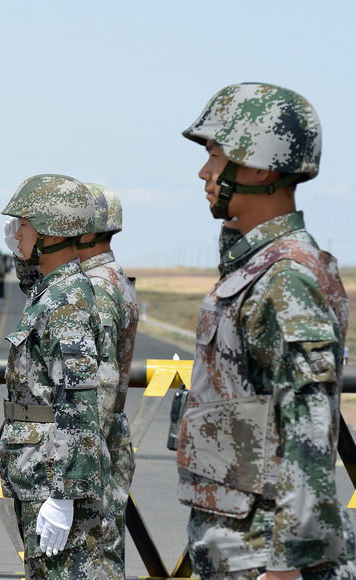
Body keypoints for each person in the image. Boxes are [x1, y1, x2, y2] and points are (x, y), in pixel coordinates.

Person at [177, 82, 355, 580]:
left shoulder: (287, 277)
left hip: (264, 557)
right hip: (238, 548)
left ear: (260, 166)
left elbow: (310, 424)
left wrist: (287, 567)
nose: (204, 171)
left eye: (215, 154)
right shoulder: (258, 266)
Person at [0, 174, 107, 580]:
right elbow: (38, 296)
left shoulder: (67, 302)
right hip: (41, 469)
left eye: (24, 223)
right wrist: (23, 259)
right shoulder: (54, 290)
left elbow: (78, 400)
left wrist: (65, 493)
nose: (16, 231)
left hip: (54, 475)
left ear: (52, 229)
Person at [76, 183, 139, 580]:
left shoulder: (96, 287)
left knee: (90, 557)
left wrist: (77, 467)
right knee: (104, 553)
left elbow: (99, 382)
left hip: (93, 444)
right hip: (106, 438)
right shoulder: (113, 278)